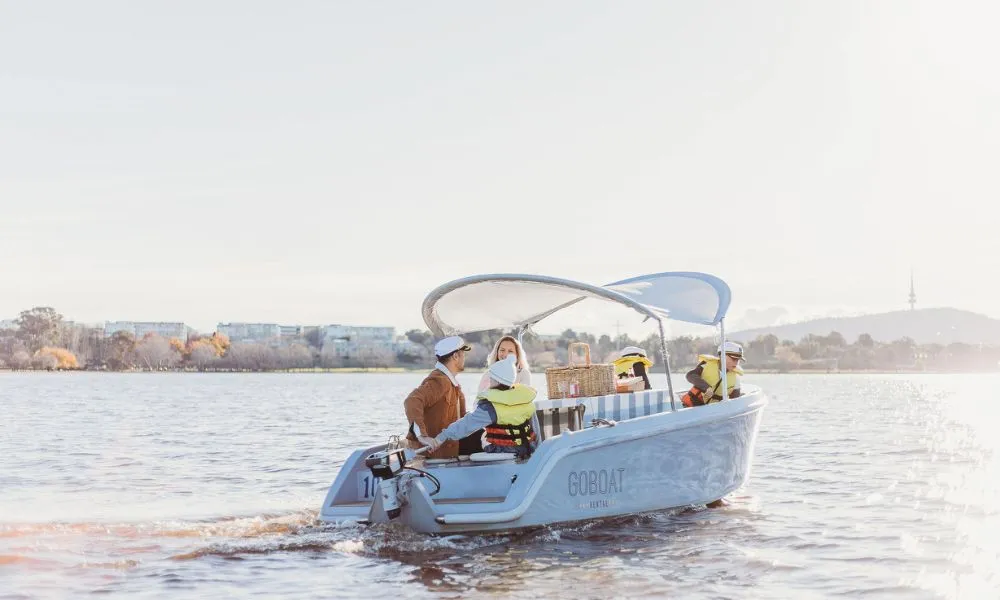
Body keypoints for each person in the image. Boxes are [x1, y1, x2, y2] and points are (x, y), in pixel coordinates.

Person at [426, 355, 539, 459]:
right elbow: (535, 429)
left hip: (502, 451)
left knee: (472, 438)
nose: (489, 381)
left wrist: (441, 437)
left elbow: (465, 425)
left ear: (496, 380)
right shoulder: (525, 399)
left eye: (491, 378)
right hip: (527, 449)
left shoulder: (490, 406)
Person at [403, 335, 478, 459]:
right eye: (463, 354)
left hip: (448, 454)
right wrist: (422, 436)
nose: (464, 358)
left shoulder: (451, 382)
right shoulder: (440, 381)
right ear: (455, 356)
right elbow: (412, 401)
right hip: (433, 459)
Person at [681, 341, 745, 407]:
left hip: (712, 410)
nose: (736, 363)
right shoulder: (706, 365)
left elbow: (735, 400)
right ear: (722, 356)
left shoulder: (736, 377)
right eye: (734, 359)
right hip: (692, 405)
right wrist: (706, 388)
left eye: (738, 360)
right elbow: (690, 375)